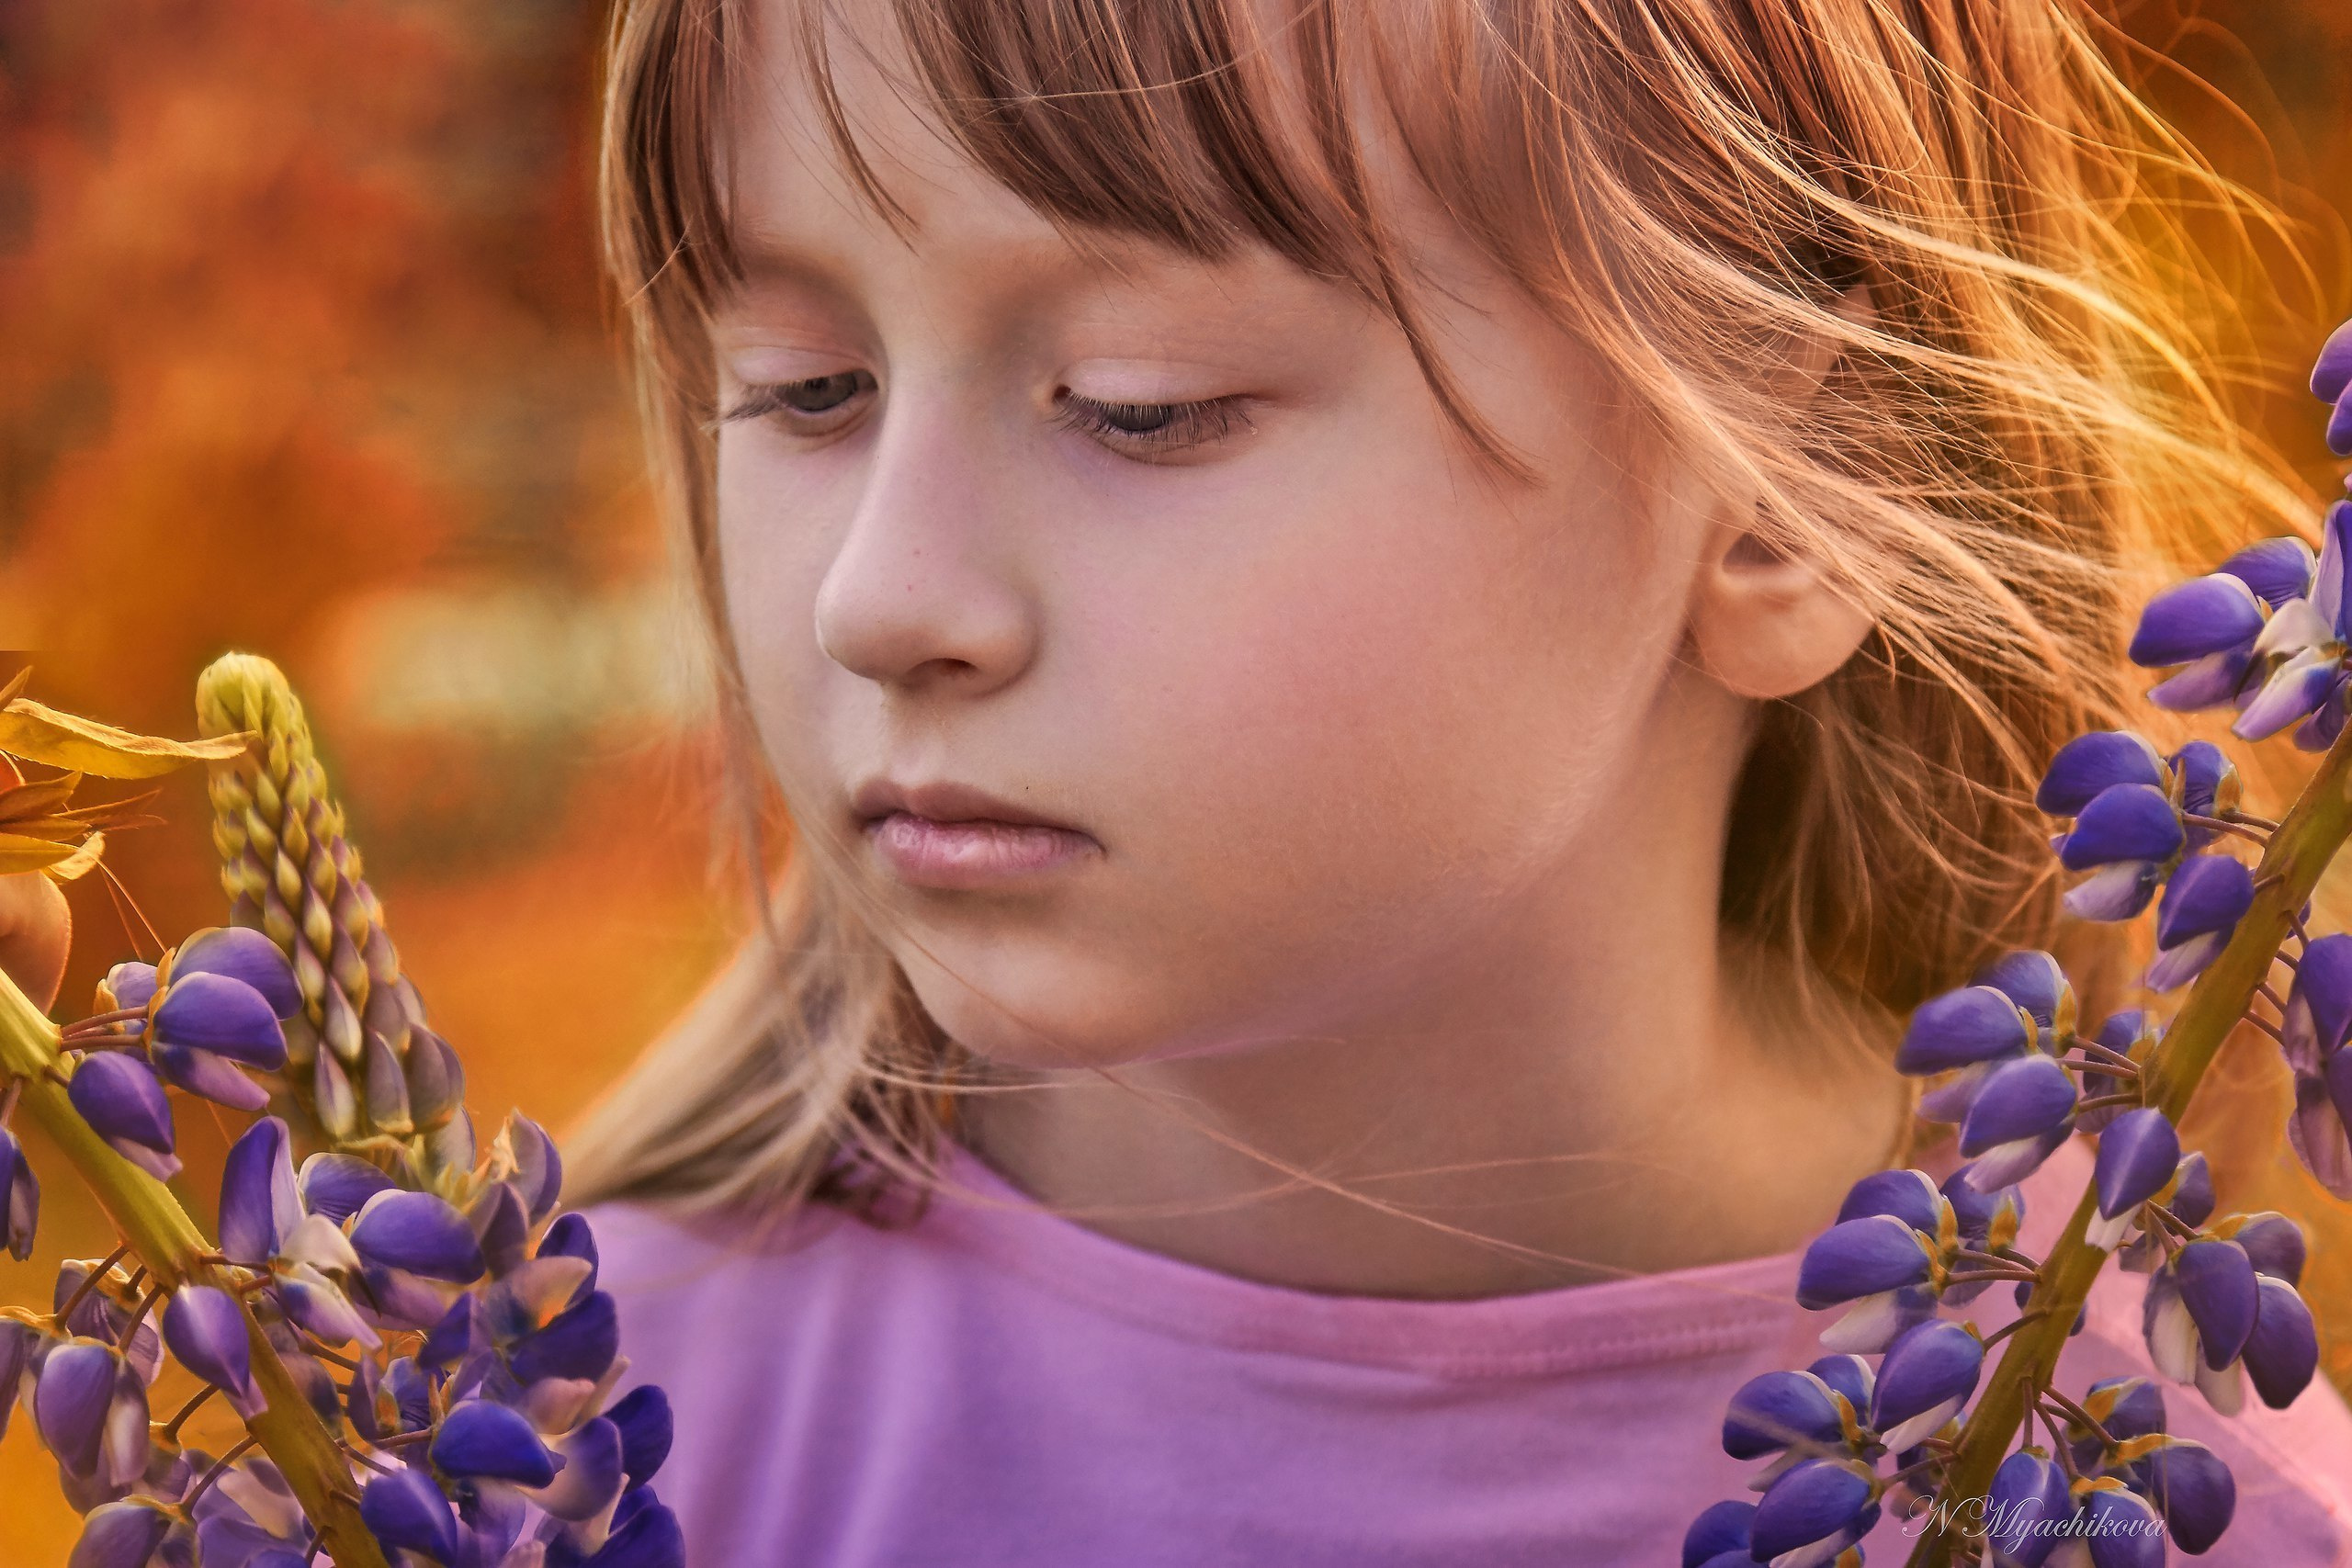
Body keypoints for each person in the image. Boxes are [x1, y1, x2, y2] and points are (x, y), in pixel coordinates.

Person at [560, 0, 2352, 1561]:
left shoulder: (2120, 1483)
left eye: (1138, 401)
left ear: (1793, 490)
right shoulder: (555, 1429)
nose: (879, 597)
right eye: (802, 388)